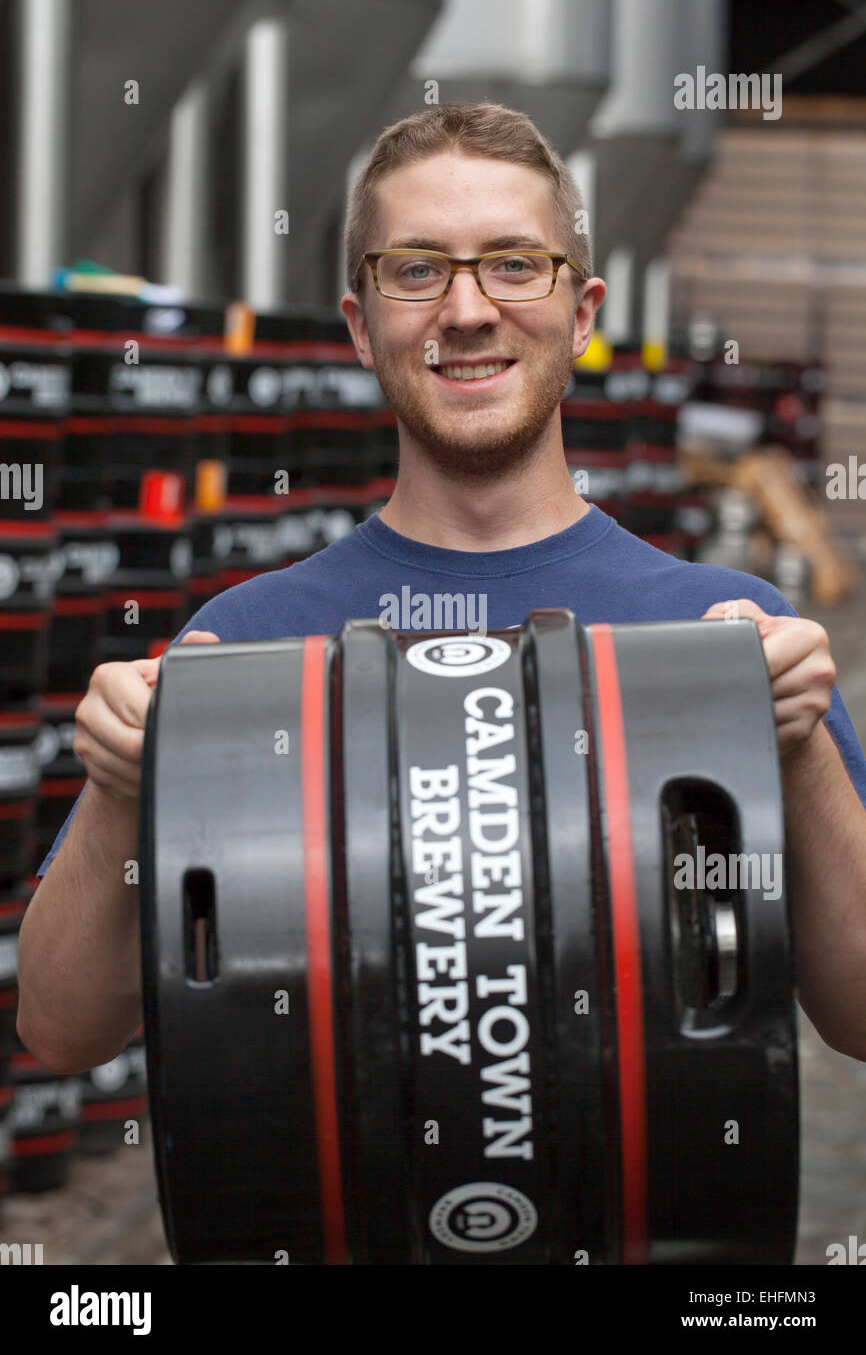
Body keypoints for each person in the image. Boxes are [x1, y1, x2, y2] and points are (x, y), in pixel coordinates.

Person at [17, 101, 866, 1073]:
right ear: (360, 322)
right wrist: (123, 789)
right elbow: (60, 1028)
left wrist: (796, 755)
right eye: (417, 270)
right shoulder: (246, 646)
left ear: (581, 313)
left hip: (648, 1225)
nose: (466, 312)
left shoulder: (722, 635)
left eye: (512, 263)